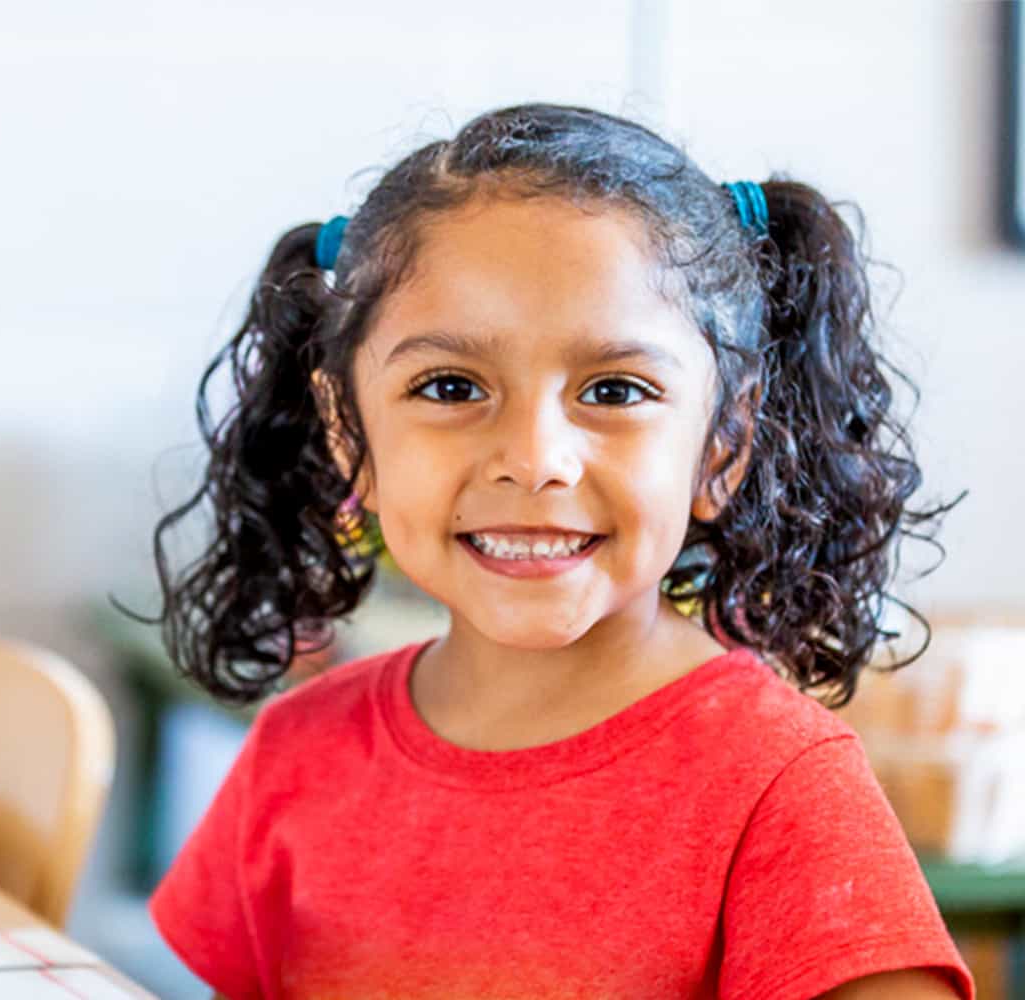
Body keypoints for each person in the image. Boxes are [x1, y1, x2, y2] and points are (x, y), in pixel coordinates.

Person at [140, 103, 974, 1000]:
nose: (535, 460)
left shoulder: (780, 786)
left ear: (723, 445)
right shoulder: (296, 753)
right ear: (350, 437)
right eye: (451, 386)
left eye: (615, 389)